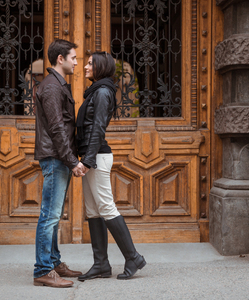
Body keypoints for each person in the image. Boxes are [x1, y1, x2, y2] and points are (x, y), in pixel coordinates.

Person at [76, 51, 146, 281]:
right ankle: (101, 265)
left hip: (96, 157)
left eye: (89, 64)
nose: (85, 67)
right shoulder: (97, 91)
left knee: (106, 208)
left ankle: (133, 257)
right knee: (93, 211)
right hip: (91, 156)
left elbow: (98, 129)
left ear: (100, 67)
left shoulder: (103, 92)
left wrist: (87, 160)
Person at [33, 39, 85, 288]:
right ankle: (43, 269)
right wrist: (72, 161)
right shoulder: (53, 87)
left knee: (53, 216)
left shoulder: (57, 84)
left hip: (57, 156)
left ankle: (53, 262)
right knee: (49, 216)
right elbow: (56, 128)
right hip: (55, 157)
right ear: (60, 59)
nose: (77, 62)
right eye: (73, 57)